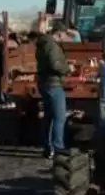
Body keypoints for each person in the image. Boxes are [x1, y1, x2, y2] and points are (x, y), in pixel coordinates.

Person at [35, 21, 74, 159]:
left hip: (45, 83)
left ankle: (48, 147)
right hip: (53, 84)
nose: (65, 37)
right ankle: (58, 149)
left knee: (49, 117)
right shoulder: (52, 45)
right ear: (59, 32)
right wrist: (68, 69)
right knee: (59, 117)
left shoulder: (44, 43)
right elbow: (55, 64)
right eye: (64, 34)